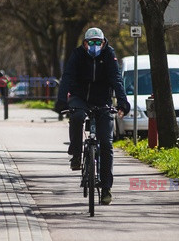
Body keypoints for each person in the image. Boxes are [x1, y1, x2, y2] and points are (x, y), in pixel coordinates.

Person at [55, 27, 130, 205]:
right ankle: (76, 154)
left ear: (104, 42)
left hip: (102, 100)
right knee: (77, 116)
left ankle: (106, 189)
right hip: (79, 97)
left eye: (99, 42)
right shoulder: (77, 55)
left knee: (106, 143)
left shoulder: (108, 55)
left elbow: (116, 79)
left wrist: (122, 102)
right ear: (85, 43)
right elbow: (67, 77)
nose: (95, 46)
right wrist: (61, 101)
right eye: (91, 42)